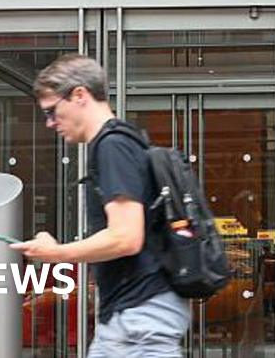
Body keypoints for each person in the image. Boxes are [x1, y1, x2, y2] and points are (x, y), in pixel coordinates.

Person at [12, 54, 190, 357]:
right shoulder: (119, 142)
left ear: (80, 95)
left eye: (52, 111)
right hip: (133, 314)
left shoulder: (113, 146)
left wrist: (57, 253)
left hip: (139, 316)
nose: (50, 122)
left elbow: (126, 237)